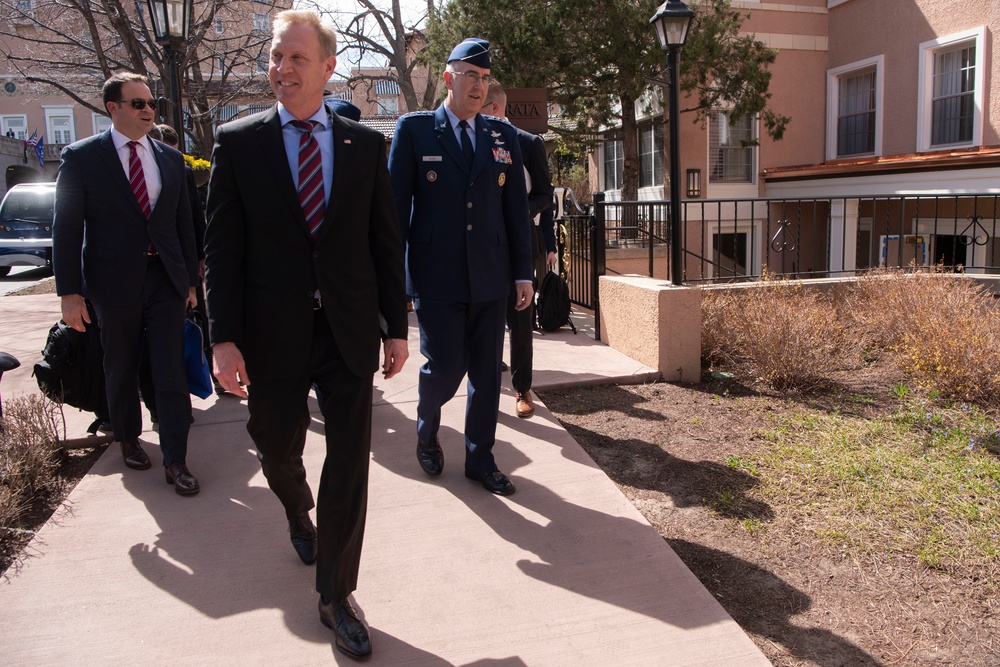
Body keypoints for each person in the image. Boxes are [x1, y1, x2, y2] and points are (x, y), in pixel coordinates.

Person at [204, 9, 407, 661]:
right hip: (271, 333)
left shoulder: (365, 147)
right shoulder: (239, 144)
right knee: (274, 444)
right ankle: (296, 508)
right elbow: (223, 249)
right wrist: (224, 338)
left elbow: (384, 243)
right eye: (275, 57)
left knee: (348, 464)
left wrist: (396, 328)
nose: (282, 68)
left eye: (297, 58)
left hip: (346, 331)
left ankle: (336, 594)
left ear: (326, 67)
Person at [388, 38, 534, 496]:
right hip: (436, 276)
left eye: (485, 78)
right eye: (470, 75)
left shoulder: (502, 136)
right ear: (448, 79)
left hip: (490, 276)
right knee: (445, 366)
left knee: (488, 374)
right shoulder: (414, 131)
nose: (479, 85)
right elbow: (395, 211)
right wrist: (396, 282)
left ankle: (480, 458)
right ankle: (427, 427)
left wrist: (522, 272)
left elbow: (515, 211)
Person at [52, 72, 201, 495]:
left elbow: (183, 226)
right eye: (138, 103)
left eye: (151, 102)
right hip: (110, 282)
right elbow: (66, 228)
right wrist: (70, 292)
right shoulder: (81, 157)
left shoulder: (170, 159)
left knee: (170, 367)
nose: (148, 110)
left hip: (164, 280)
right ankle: (128, 436)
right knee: (121, 363)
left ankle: (176, 459)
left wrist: (189, 280)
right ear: (112, 108)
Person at [480, 79, 555, 419]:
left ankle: (523, 389)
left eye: (480, 105)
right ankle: (483, 381)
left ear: (494, 107)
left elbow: (545, 194)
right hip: (481, 246)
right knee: (483, 317)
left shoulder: (528, 143)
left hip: (520, 246)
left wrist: (517, 210)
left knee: (521, 320)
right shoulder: (472, 141)